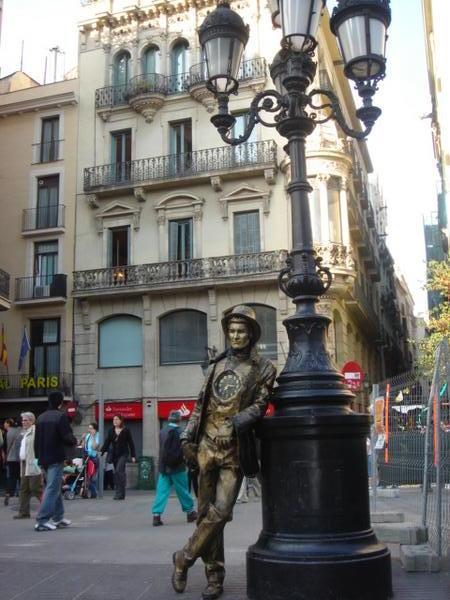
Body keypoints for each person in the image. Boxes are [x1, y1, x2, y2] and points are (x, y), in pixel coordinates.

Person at [172, 305, 276, 600]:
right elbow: (199, 406)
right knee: (205, 513)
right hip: (205, 446)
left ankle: (184, 557)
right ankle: (214, 577)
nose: (236, 336)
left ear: (252, 334)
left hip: (234, 449)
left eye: (241, 331)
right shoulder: (215, 365)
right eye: (231, 331)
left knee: (222, 511)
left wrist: (237, 422)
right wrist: (185, 437)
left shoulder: (264, 368)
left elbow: (261, 403)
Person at [34, 390, 77, 531]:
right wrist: (74, 441)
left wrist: (37, 457)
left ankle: (58, 518)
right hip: (56, 457)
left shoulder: (40, 417)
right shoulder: (60, 417)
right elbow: (67, 436)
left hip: (42, 458)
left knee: (54, 486)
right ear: (60, 403)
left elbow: (36, 440)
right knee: (52, 488)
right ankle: (42, 520)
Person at [152, 410, 197, 527]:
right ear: (179, 420)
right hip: (178, 467)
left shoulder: (162, 432)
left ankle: (156, 515)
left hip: (164, 467)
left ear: (169, 419)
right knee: (182, 490)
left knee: (161, 491)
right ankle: (190, 512)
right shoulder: (181, 432)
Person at [101, 414, 136, 500]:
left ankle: (120, 492)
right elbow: (107, 442)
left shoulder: (126, 430)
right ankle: (119, 493)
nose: (114, 421)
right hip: (114, 455)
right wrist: (101, 451)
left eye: (116, 419)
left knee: (118, 471)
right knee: (118, 473)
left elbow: (131, 443)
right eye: (113, 419)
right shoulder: (111, 430)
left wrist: (133, 455)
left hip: (124, 454)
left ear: (121, 420)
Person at [14, 412, 42, 519]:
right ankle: (23, 512)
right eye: (22, 420)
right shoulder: (25, 432)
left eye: (26, 420)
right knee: (24, 489)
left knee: (35, 488)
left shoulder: (35, 431)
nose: (23, 422)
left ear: (32, 421)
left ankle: (48, 508)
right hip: (25, 463)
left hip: (33, 462)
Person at [3, 418, 22, 506]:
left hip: (10, 459)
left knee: (11, 478)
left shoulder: (8, 433)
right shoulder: (21, 432)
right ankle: (21, 496)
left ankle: (7, 493)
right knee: (21, 478)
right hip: (19, 459)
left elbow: (5, 447)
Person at [83, 422, 100, 498]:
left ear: (95, 429)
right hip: (87, 457)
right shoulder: (87, 436)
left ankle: (94, 493)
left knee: (93, 477)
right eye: (89, 428)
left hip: (94, 458)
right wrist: (83, 439)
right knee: (86, 476)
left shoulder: (97, 435)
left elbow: (94, 447)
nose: (89, 430)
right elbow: (84, 446)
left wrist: (93, 436)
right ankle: (90, 492)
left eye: (91, 428)